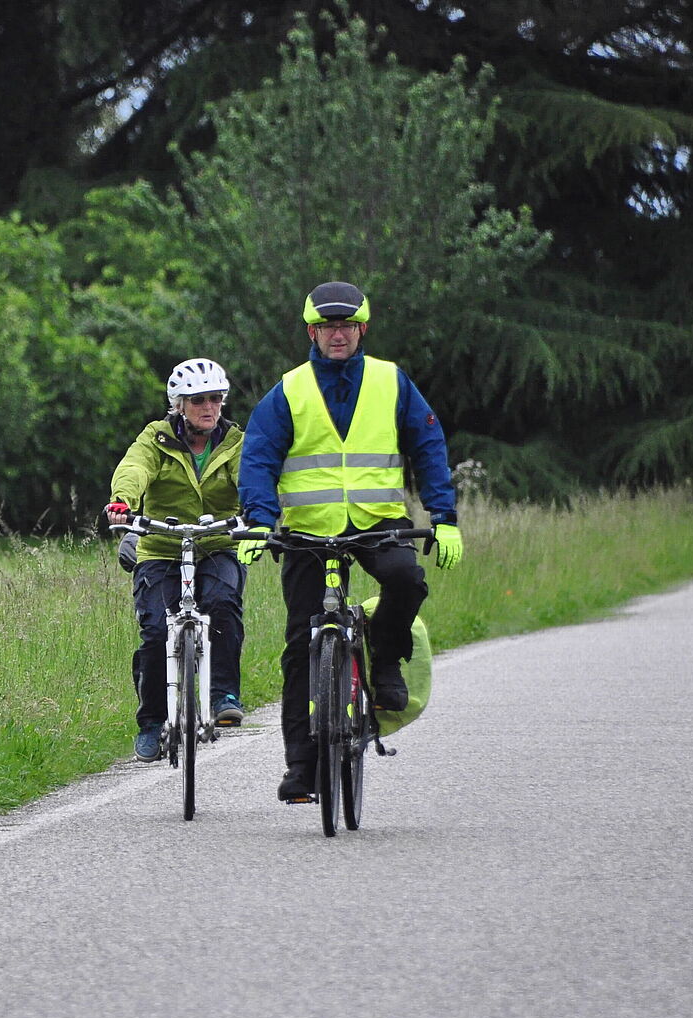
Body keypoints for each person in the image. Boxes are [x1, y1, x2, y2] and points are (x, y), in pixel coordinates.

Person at [237, 281, 463, 802]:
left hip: (377, 521)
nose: (337, 335)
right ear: (311, 333)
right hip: (308, 530)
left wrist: (444, 517)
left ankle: (384, 659)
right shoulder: (289, 390)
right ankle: (301, 767)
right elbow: (259, 458)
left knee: (406, 580)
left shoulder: (391, 381)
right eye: (327, 327)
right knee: (301, 644)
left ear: (362, 329)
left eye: (346, 326)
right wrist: (259, 521)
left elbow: (428, 445)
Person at [106, 358, 248, 762]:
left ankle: (223, 695)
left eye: (215, 398)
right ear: (179, 405)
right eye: (198, 400)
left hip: (217, 543)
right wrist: (123, 502)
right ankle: (152, 722)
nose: (209, 407)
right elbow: (135, 467)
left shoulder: (234, 442)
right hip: (161, 546)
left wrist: (257, 508)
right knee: (155, 632)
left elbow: (250, 477)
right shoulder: (157, 438)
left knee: (223, 604)